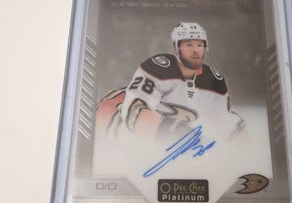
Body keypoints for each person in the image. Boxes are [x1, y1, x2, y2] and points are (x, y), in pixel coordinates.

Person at [95, 22, 245, 144]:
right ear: (176, 48)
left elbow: (231, 128)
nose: (195, 51)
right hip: (112, 119)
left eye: (200, 45)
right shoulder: (159, 67)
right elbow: (134, 109)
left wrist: (249, 159)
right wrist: (170, 132)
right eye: (189, 45)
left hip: (150, 138)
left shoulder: (213, 81)